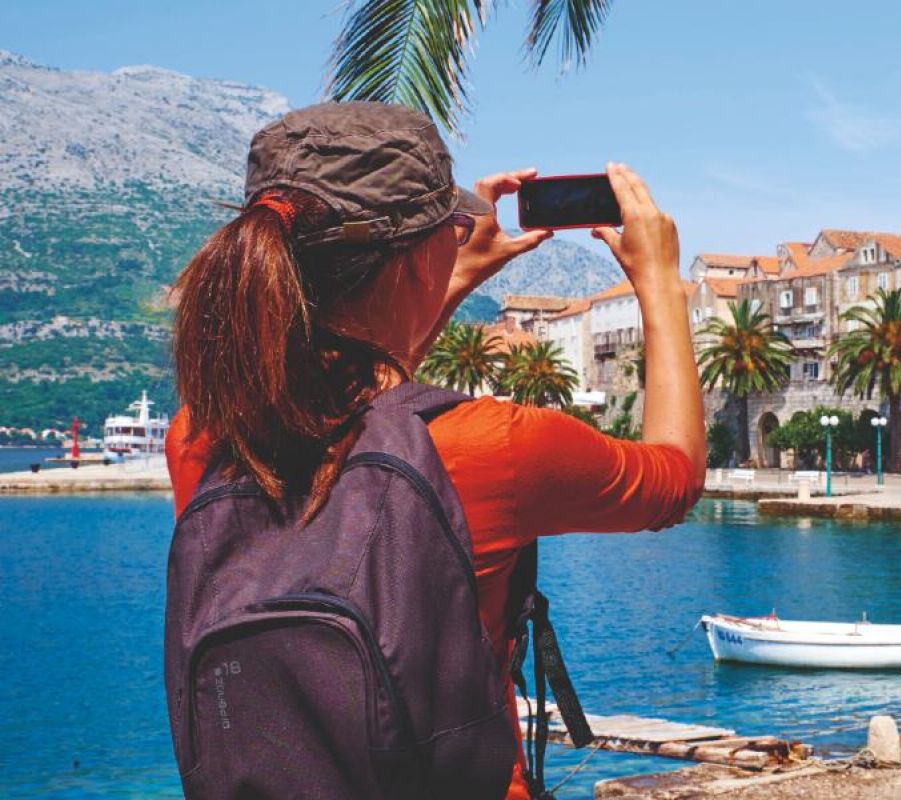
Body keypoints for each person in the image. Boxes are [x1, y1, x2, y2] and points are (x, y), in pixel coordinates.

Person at [165, 103, 705, 799]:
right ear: (419, 256)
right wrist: (661, 284)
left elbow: (356, 403)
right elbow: (674, 478)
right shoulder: (496, 446)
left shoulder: (202, 435)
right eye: (450, 232)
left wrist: (445, 272)